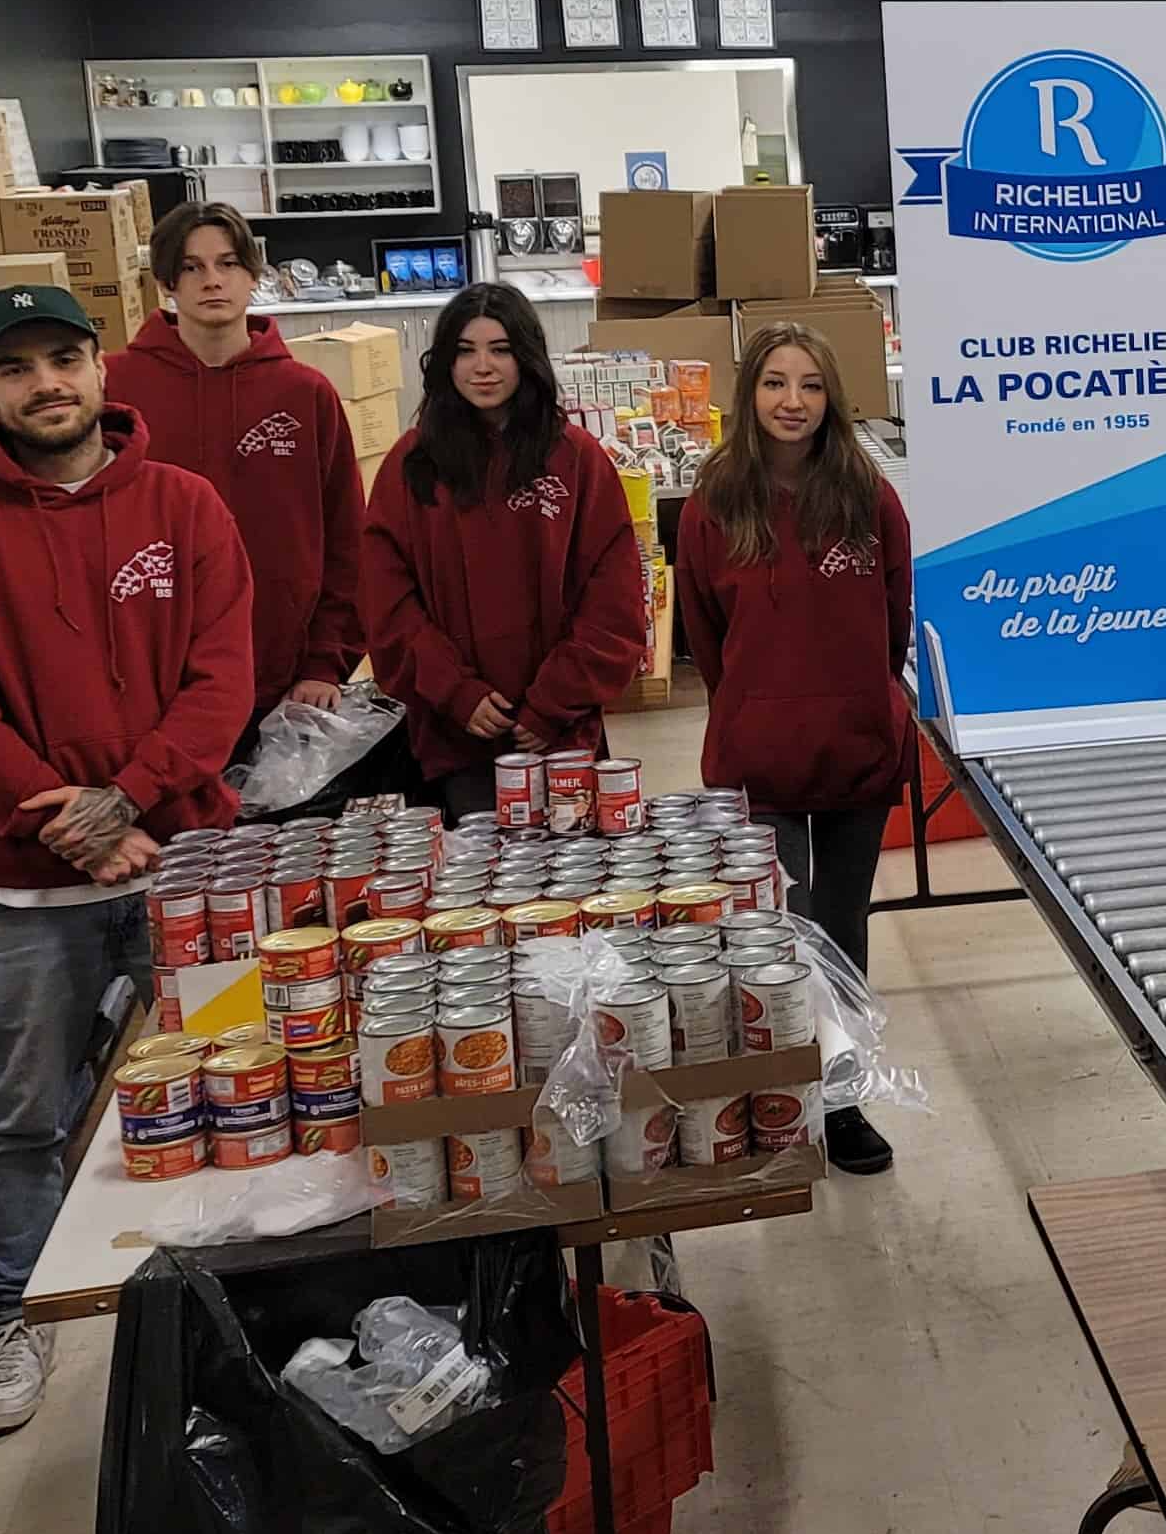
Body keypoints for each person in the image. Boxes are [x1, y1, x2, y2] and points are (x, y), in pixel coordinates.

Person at [0, 285, 255, 1435]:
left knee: (237, 1076)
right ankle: (18, 1308)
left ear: (101, 368)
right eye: (17, 368)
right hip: (19, 884)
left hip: (183, 867)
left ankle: (243, 1297)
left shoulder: (185, 506)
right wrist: (71, 822)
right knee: (19, 1114)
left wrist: (128, 795)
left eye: (63, 357)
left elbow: (220, 680)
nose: (45, 383)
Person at [675, 321, 908, 1176]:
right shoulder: (713, 502)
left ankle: (841, 1101)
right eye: (775, 382)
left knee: (842, 932)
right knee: (782, 935)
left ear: (831, 398)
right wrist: (750, 703)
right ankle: (782, 1098)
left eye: (810, 385)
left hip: (855, 747)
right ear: (750, 394)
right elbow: (704, 633)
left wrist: (862, 699)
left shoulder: (867, 496)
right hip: (757, 755)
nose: (792, 401)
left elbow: (893, 619)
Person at [361, 285, 647, 821]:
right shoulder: (412, 465)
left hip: (563, 738)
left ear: (527, 357)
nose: (483, 367)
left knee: (575, 871)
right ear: (445, 362)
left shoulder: (577, 460)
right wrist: (454, 691)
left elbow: (615, 600)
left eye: (501, 349)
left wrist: (553, 701)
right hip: (456, 740)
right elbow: (386, 601)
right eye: (465, 351)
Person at [104, 202, 368, 739]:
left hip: (281, 676)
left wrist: (326, 661)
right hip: (146, 680)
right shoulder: (115, 388)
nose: (212, 281)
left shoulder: (304, 393)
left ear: (252, 275)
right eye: (192, 267)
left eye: (227, 264)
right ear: (166, 283)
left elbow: (347, 537)